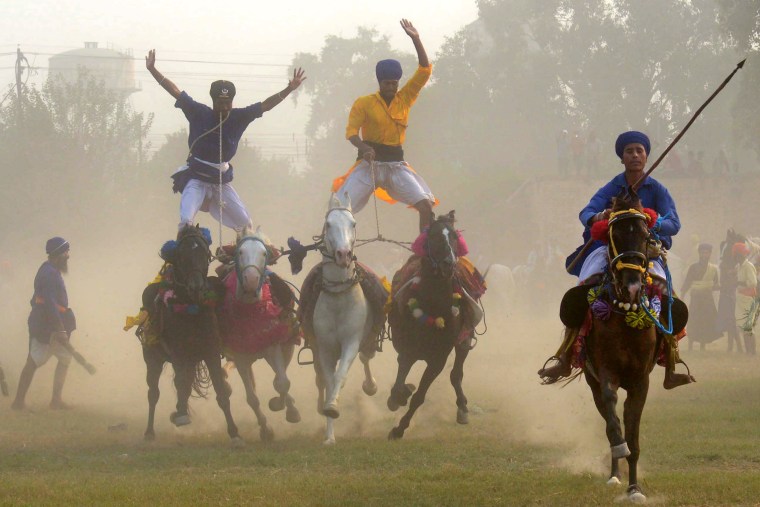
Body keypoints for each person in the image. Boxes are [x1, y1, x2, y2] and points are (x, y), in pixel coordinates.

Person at [538, 130, 695, 389]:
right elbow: (586, 212)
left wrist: (652, 219)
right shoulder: (612, 187)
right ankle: (565, 356)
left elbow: (674, 223)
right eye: (629, 151)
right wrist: (601, 216)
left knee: (667, 295)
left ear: (646, 156)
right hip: (610, 249)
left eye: (639, 150)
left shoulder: (657, 189)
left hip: (646, 250)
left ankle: (671, 365)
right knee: (584, 287)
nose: (635, 155)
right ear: (622, 158)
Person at [145, 49, 306, 232]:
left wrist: (289, 89)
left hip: (221, 183)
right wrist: (152, 69)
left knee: (246, 225)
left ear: (232, 101)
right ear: (213, 101)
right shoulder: (198, 112)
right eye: (219, 103)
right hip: (196, 179)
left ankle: (239, 256)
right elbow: (175, 91)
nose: (223, 107)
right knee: (186, 221)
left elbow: (266, 105)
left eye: (227, 103)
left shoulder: (239, 117)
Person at [331, 19, 436, 233]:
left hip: (396, 166)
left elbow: (425, 71)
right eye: (387, 83)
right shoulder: (364, 103)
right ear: (380, 83)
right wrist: (365, 149)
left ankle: (423, 251)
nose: (391, 87)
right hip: (369, 165)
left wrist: (416, 39)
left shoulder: (405, 98)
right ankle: (333, 251)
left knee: (426, 206)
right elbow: (351, 133)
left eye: (394, 83)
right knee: (338, 208)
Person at [12, 237, 77, 410]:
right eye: (66, 252)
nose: (68, 256)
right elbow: (48, 303)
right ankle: (18, 402)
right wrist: (59, 329)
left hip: (53, 324)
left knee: (64, 358)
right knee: (33, 360)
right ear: (57, 254)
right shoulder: (48, 273)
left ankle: (56, 400)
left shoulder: (51, 271)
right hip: (46, 326)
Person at [681, 243, 720, 351]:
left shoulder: (713, 269)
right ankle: (690, 345)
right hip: (696, 298)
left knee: (706, 321)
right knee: (693, 320)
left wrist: (713, 286)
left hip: (707, 298)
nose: (704, 254)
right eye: (703, 252)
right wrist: (682, 296)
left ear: (710, 254)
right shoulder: (693, 267)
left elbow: (715, 284)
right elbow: (687, 283)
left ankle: (703, 344)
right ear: (699, 253)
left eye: (707, 252)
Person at [733, 242, 757, 355]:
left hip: (748, 298)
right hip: (741, 297)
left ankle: (752, 351)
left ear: (742, 255)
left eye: (737, 255)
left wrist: (740, 282)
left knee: (748, 327)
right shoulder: (739, 266)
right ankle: (748, 351)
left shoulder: (748, 266)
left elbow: (753, 282)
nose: (736, 257)